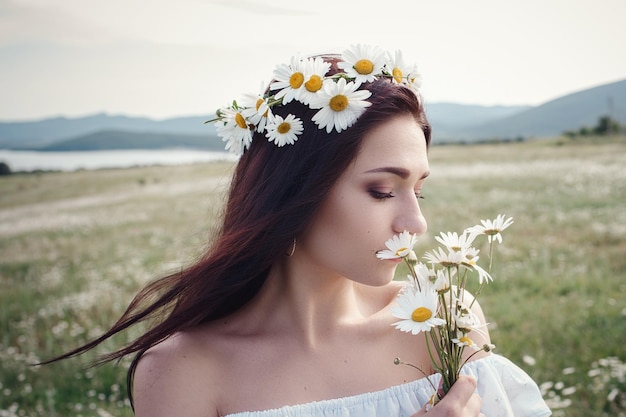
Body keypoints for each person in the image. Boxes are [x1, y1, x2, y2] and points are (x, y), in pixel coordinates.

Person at [48, 45, 551, 417]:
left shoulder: (444, 320)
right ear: (293, 193)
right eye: (381, 190)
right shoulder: (184, 372)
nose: (415, 223)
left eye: (418, 190)